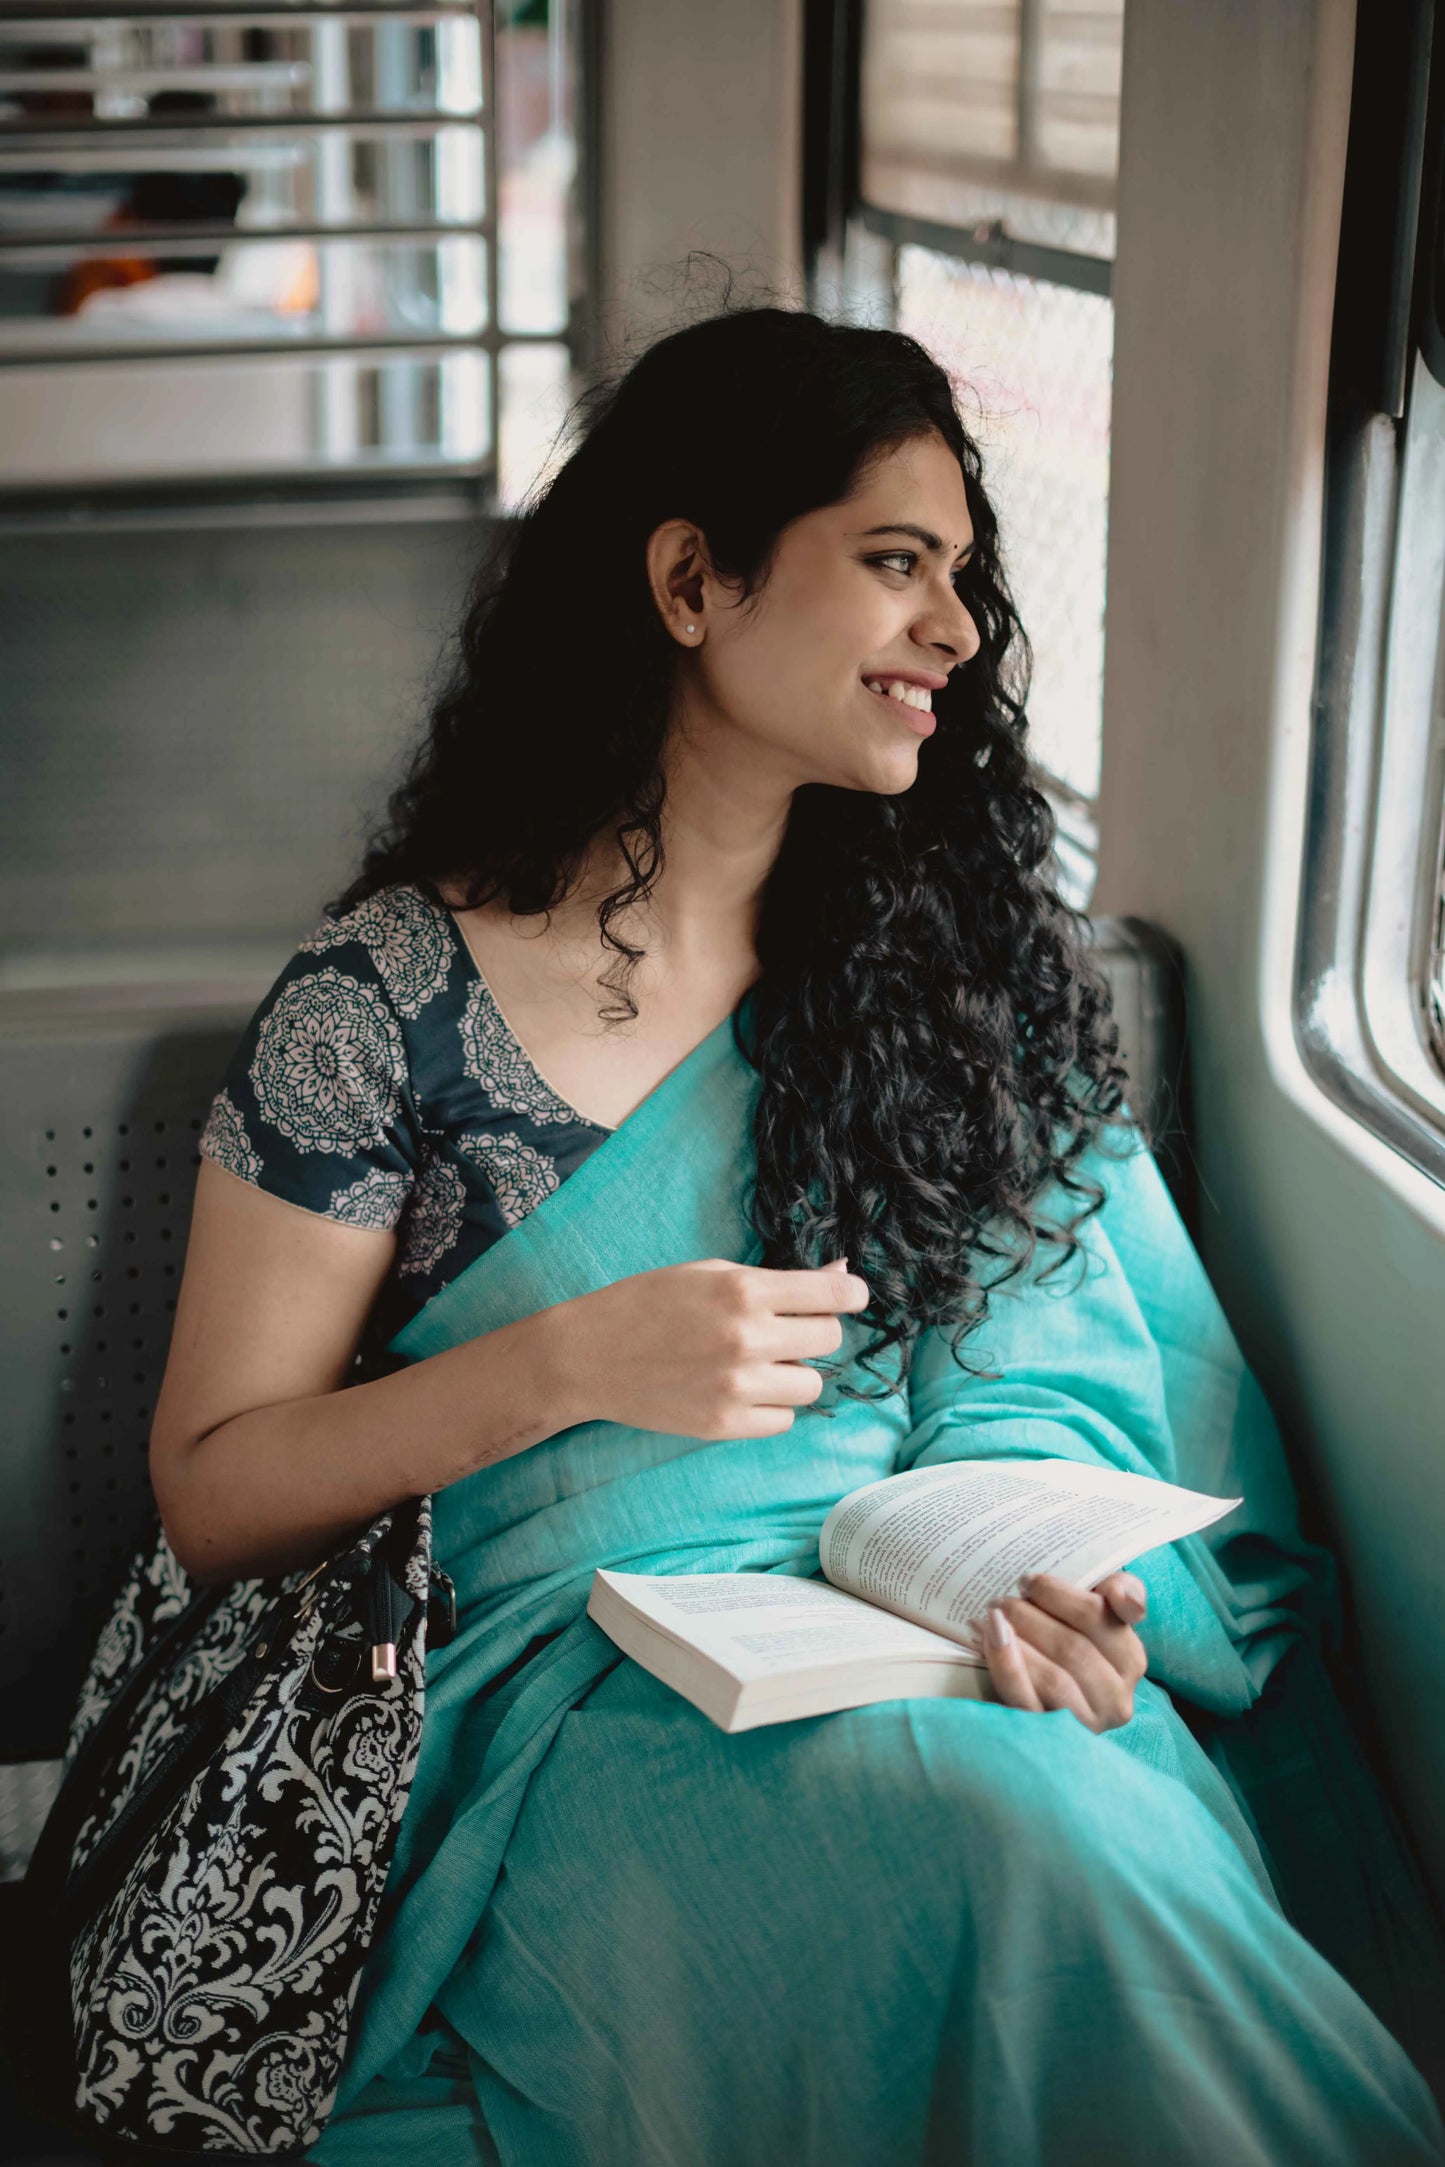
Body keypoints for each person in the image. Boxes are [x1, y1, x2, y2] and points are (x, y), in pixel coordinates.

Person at [149, 304, 1445, 2165]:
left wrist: (1032, 1569)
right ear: (691, 579)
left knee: (1077, 1824)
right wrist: (565, 1367)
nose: (957, 633)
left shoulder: (955, 980)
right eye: (896, 566)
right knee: (1006, 1848)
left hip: (938, 1657)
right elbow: (212, 1487)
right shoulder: (383, 1006)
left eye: (966, 580)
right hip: (570, 1711)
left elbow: (1047, 1380)